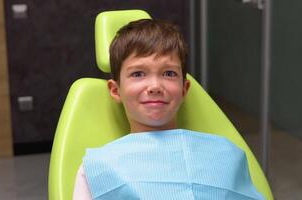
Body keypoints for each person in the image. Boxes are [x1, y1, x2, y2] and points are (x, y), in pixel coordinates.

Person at [73, 19, 264, 200]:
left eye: (169, 73)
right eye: (138, 74)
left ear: (184, 89)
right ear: (116, 91)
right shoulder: (97, 169)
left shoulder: (226, 156)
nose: (155, 86)